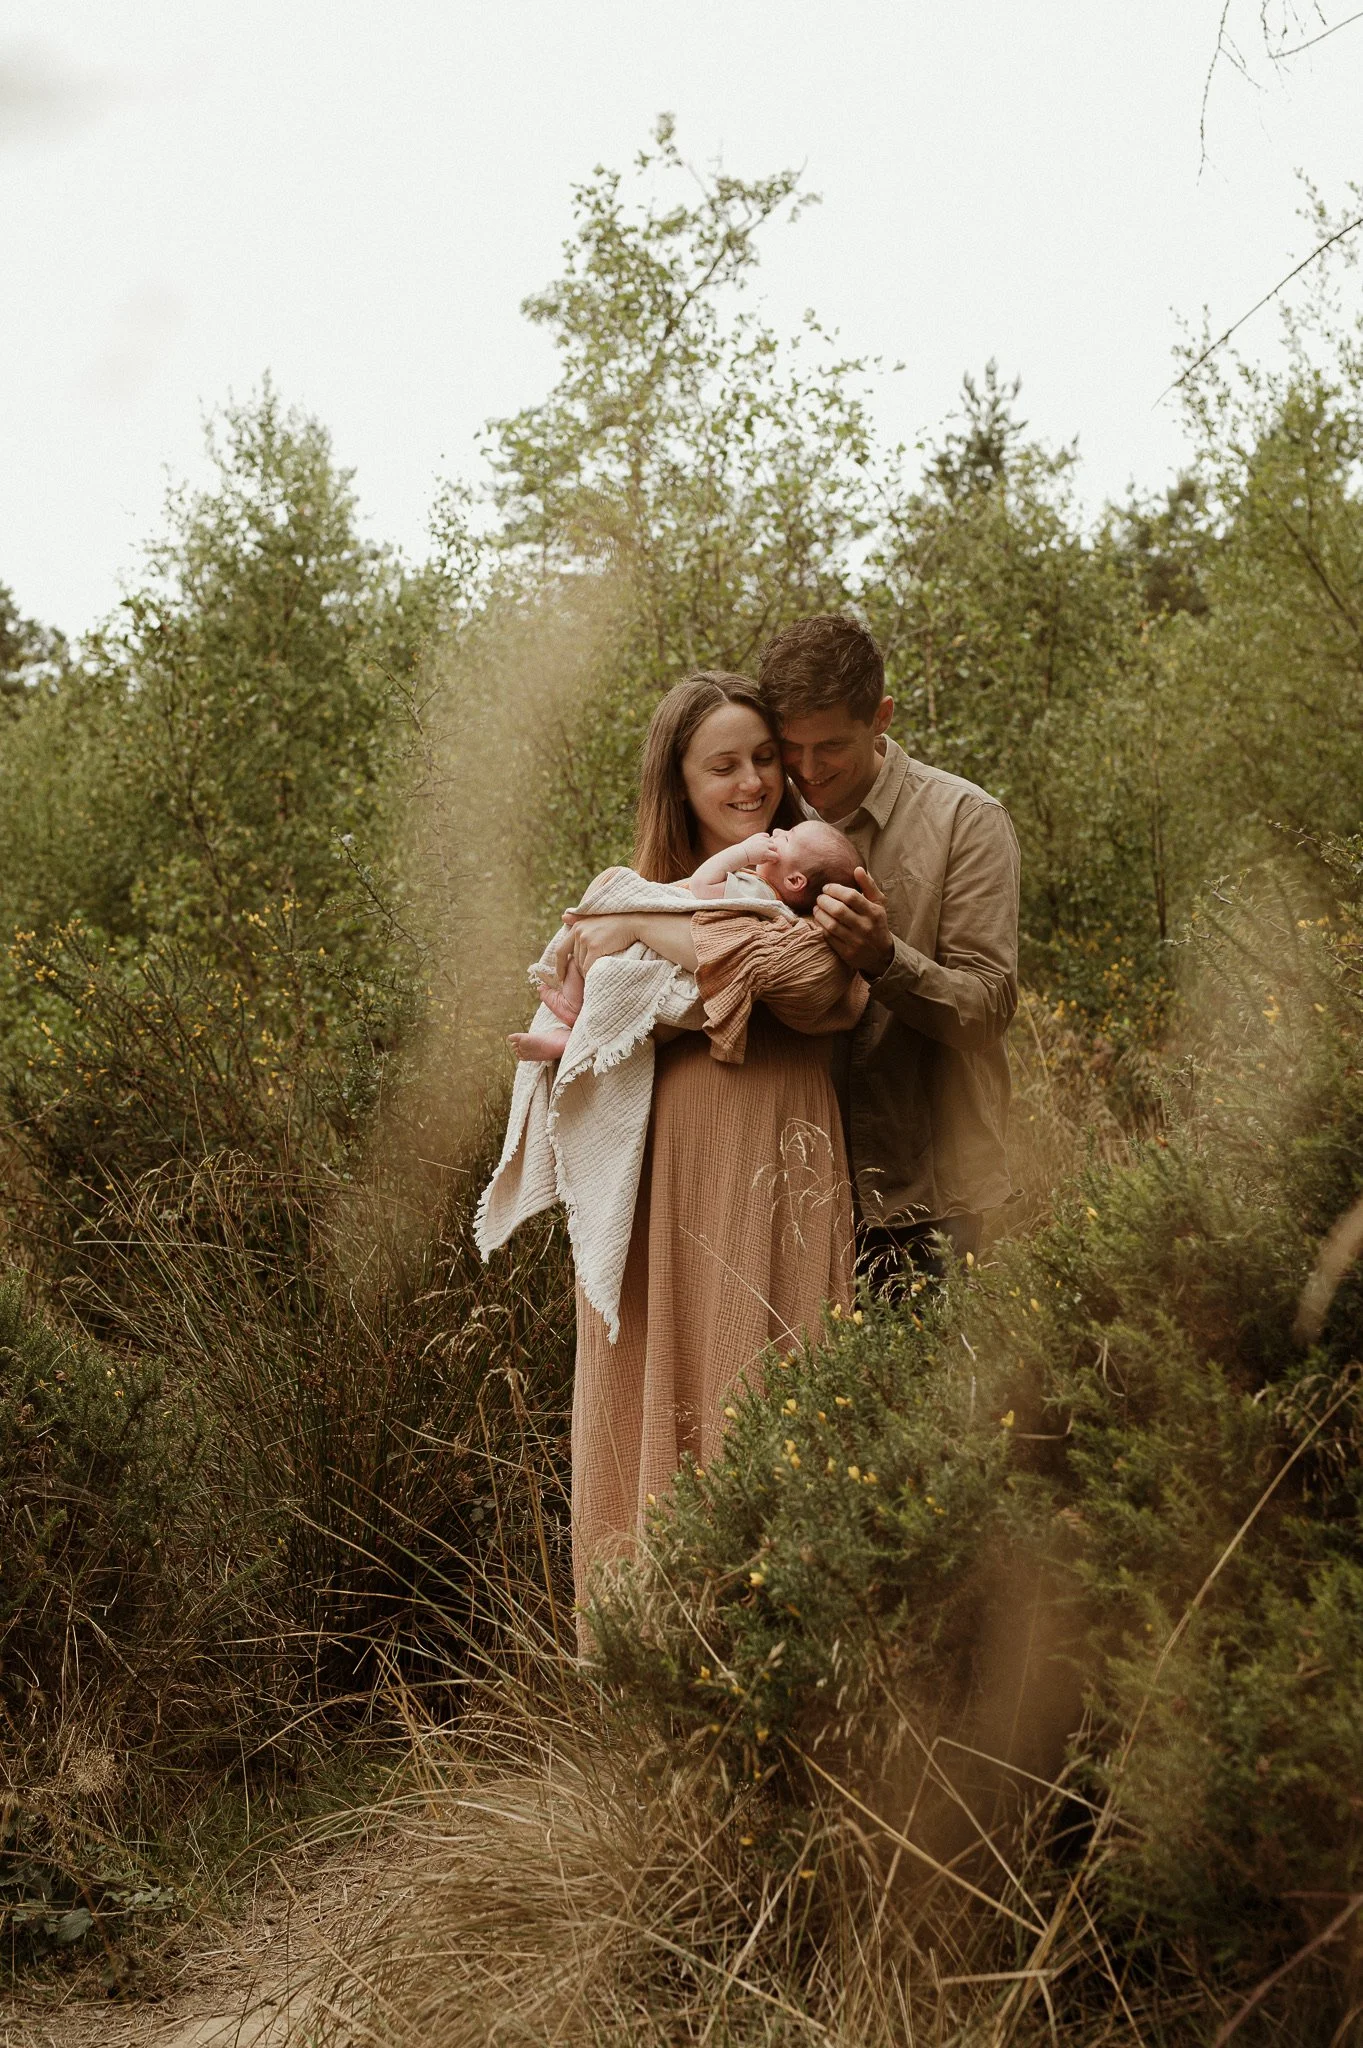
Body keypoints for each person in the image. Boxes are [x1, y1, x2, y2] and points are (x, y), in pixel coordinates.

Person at [547, 672, 868, 1627]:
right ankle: (652, 1654)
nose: (752, 784)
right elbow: (579, 964)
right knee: (660, 1371)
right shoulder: (649, 880)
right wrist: (656, 918)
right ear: (677, 783)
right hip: (662, 1169)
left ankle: (776, 1647)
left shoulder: (807, 880)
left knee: (772, 1366)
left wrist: (645, 925)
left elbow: (804, 982)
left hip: (780, 1151)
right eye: (721, 766)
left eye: (764, 760)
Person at [757, 612, 1019, 1287]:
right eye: (791, 748)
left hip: (928, 1201)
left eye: (830, 747)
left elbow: (985, 1009)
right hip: (786, 1196)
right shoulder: (761, 816)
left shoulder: (965, 820)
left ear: (880, 715)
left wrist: (884, 958)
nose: (808, 772)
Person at [507, 819, 861, 1063]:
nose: (778, 831)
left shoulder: (757, 891)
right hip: (680, 956)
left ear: (796, 881)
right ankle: (573, 1028)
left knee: (613, 881)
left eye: (786, 838)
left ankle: (572, 1007)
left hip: (679, 955)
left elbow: (703, 886)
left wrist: (742, 853)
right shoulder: (780, 910)